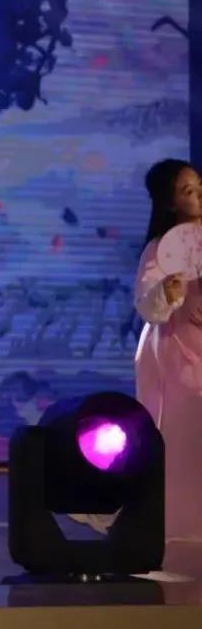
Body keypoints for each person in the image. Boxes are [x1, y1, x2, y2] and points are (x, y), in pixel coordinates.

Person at [133, 158, 202, 542]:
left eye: (200, 186)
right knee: (181, 437)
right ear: (171, 202)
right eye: (188, 191)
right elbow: (148, 305)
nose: (199, 196)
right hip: (176, 350)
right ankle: (179, 523)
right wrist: (168, 292)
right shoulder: (162, 249)